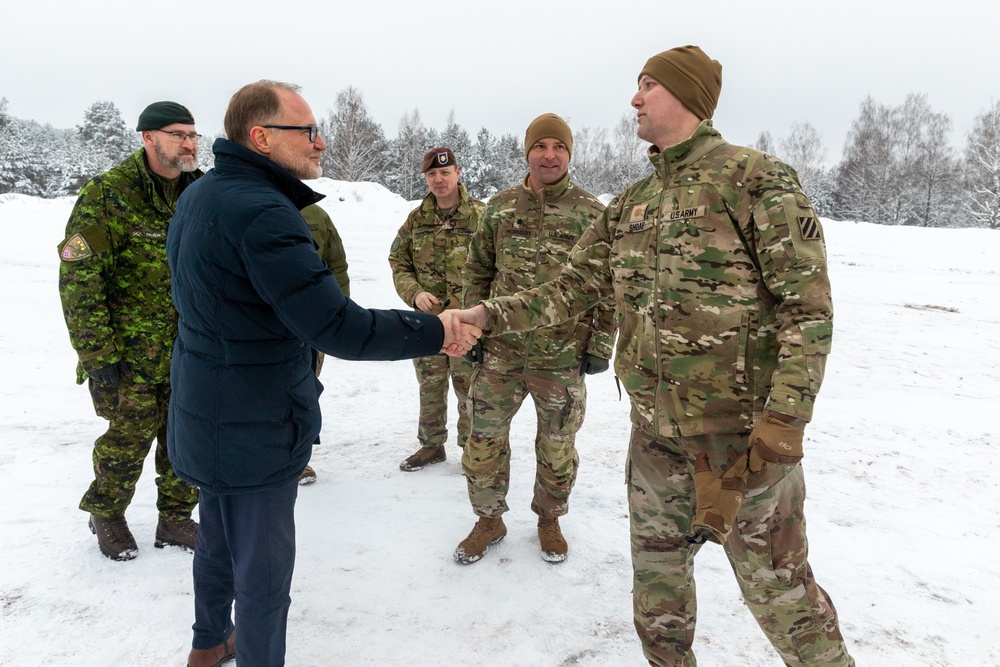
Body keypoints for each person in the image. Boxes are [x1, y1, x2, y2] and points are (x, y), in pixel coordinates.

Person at [454, 47, 854, 665]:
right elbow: (570, 288)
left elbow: (809, 310)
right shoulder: (631, 203)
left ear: (687, 96)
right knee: (658, 601)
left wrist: (783, 425)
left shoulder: (754, 181)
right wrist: (488, 315)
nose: (635, 99)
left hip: (742, 444)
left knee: (783, 600)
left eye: (648, 86)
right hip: (655, 444)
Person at [166, 80, 479, 667]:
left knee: (216, 538)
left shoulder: (202, 194)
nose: (322, 143)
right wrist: (439, 332)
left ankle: (208, 645)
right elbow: (337, 326)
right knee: (261, 571)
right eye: (307, 131)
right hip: (253, 422)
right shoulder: (263, 211)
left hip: (205, 410)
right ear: (261, 137)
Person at [453, 114, 615, 565]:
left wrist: (601, 344)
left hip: (561, 356)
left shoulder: (592, 212)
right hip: (501, 353)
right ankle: (489, 519)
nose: (549, 155)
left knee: (557, 445)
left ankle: (549, 518)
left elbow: (607, 285)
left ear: (569, 154)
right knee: (482, 440)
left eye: (558, 147)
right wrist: (474, 330)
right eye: (540, 146)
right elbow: (478, 270)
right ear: (527, 152)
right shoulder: (500, 207)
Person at [57, 101, 203, 562]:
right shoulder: (109, 194)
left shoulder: (199, 193)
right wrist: (97, 353)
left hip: (190, 345)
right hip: (129, 352)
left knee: (186, 434)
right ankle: (107, 511)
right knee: (128, 437)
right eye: (178, 134)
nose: (188, 143)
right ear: (148, 138)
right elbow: (80, 278)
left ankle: (175, 516)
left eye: (192, 134)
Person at [388, 147, 484, 472]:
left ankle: (473, 451)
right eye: (432, 174)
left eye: (445, 172)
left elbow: (501, 267)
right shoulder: (417, 220)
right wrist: (414, 293)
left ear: (458, 173)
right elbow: (398, 261)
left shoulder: (482, 217)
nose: (439, 179)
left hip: (467, 324)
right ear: (426, 179)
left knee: (470, 388)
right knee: (430, 383)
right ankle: (431, 446)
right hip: (427, 323)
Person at [297, 203, 351, 485]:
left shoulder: (316, 215)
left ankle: (300, 459)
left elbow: (336, 264)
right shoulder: (249, 204)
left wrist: (338, 313)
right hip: (265, 327)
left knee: (305, 392)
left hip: (311, 326)